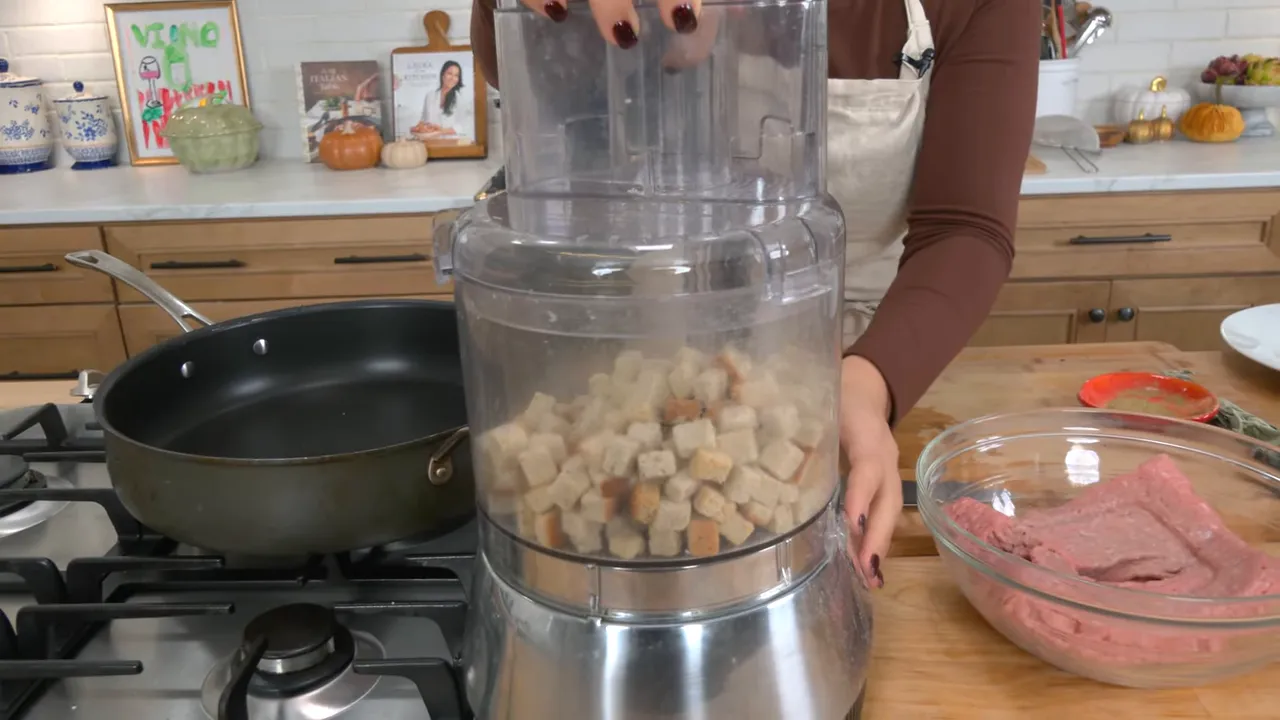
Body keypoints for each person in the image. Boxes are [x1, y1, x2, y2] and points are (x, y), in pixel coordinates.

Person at [470, 0, 1039, 588]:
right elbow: (550, 87)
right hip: (635, 350)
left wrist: (866, 387)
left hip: (865, 356)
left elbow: (965, 229)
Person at [412, 60, 472, 140]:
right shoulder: (430, 95)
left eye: (456, 75)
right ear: (442, 75)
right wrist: (416, 128)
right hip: (431, 142)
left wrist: (442, 131)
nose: (452, 78)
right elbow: (424, 118)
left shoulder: (460, 98)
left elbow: (463, 124)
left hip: (452, 143)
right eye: (449, 73)